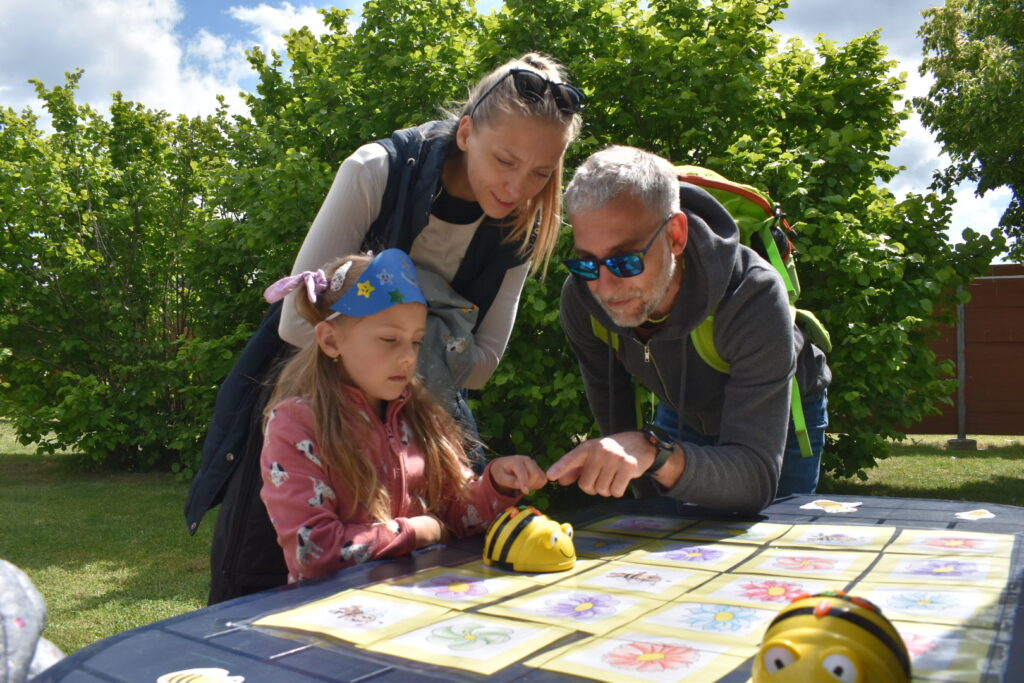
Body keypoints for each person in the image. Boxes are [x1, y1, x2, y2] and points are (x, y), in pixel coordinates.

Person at [185, 53, 583, 602]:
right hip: (319, 403)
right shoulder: (375, 169)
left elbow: (483, 367)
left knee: (441, 578)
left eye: (541, 173)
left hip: (419, 412)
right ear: (466, 132)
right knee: (259, 591)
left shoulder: (525, 226)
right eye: (505, 160)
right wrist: (432, 326)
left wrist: (395, 335)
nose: (518, 188)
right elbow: (299, 319)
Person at [547, 146, 831, 514]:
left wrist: (656, 454)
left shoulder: (753, 294)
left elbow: (754, 479)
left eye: (625, 261)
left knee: (772, 531)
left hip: (779, 413)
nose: (605, 288)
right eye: (587, 263)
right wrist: (646, 491)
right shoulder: (582, 299)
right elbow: (616, 421)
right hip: (683, 409)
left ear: (676, 236)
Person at [259, 250, 547, 582]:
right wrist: (415, 532)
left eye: (417, 341)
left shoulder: (422, 415)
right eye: (389, 339)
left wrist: (495, 484)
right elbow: (314, 551)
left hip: (422, 602)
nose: (408, 357)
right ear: (331, 340)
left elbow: (458, 515)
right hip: (339, 609)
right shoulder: (296, 426)